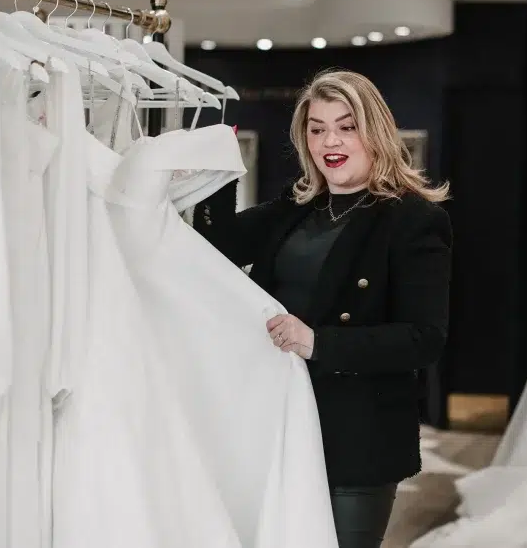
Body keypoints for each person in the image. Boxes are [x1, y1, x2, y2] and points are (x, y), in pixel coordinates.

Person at [193, 69, 453, 548]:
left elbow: (424, 338)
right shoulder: (294, 211)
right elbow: (216, 246)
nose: (329, 140)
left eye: (346, 126)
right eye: (317, 128)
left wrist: (317, 342)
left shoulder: (414, 220)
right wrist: (219, 169)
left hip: (356, 435)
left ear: (373, 131)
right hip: (276, 420)